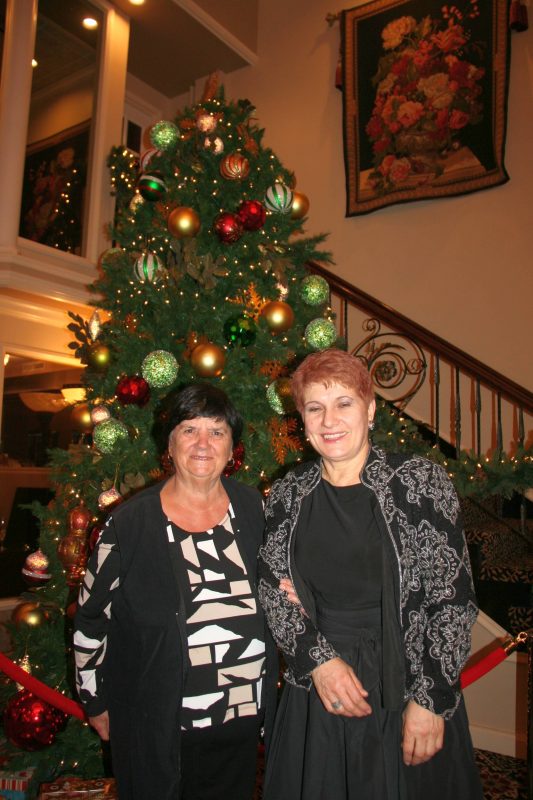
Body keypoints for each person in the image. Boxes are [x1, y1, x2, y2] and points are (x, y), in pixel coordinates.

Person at [257, 348, 483, 800]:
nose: (329, 420)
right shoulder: (288, 493)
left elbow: (453, 600)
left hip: (406, 682)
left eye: (344, 403)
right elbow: (271, 588)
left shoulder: (419, 482)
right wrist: (318, 662)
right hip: (320, 688)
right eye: (315, 408)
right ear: (302, 420)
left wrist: (430, 700)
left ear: (371, 409)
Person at [74, 383, 277, 800]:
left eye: (217, 431)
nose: (203, 443)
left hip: (241, 724)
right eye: (189, 430)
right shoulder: (129, 524)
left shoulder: (255, 510)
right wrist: (95, 701)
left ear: (231, 447)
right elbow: (90, 618)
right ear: (169, 443)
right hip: (156, 726)